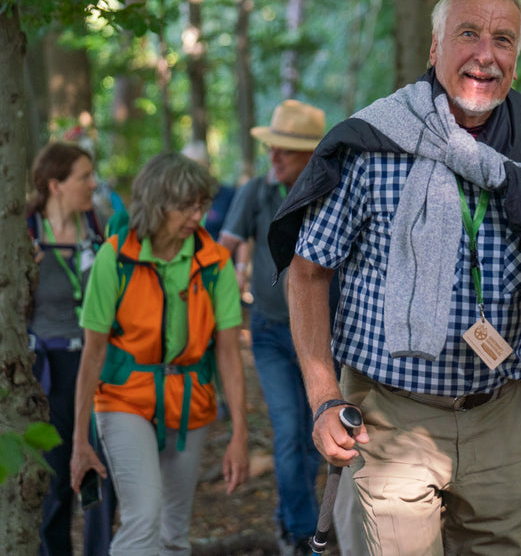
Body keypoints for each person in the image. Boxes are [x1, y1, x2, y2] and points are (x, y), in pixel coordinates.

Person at [265, 0, 521, 556]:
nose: (486, 54)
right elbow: (308, 272)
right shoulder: (373, 144)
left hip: (501, 416)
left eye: (504, 40)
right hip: (389, 418)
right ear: (434, 49)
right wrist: (324, 398)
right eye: (468, 34)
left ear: (517, 59)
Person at [69, 151, 249, 555]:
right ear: (156, 202)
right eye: (186, 205)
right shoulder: (114, 257)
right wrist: (81, 440)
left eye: (201, 204)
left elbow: (228, 356)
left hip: (190, 403)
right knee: (144, 516)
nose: (197, 216)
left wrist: (240, 433)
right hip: (123, 399)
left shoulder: (215, 263)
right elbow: (93, 354)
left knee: (174, 532)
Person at [220, 99, 366, 556]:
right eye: (273, 148)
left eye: (286, 149)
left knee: (314, 433)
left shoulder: (335, 191)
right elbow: (220, 251)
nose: (274, 157)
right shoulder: (255, 193)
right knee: (287, 430)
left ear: (311, 156)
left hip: (328, 334)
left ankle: (294, 517)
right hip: (269, 333)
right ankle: (303, 533)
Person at [26, 142, 116, 556]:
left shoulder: (99, 225)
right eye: (83, 176)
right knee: (56, 482)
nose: (92, 183)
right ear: (55, 184)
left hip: (100, 361)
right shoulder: (25, 232)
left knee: (104, 475)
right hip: (49, 368)